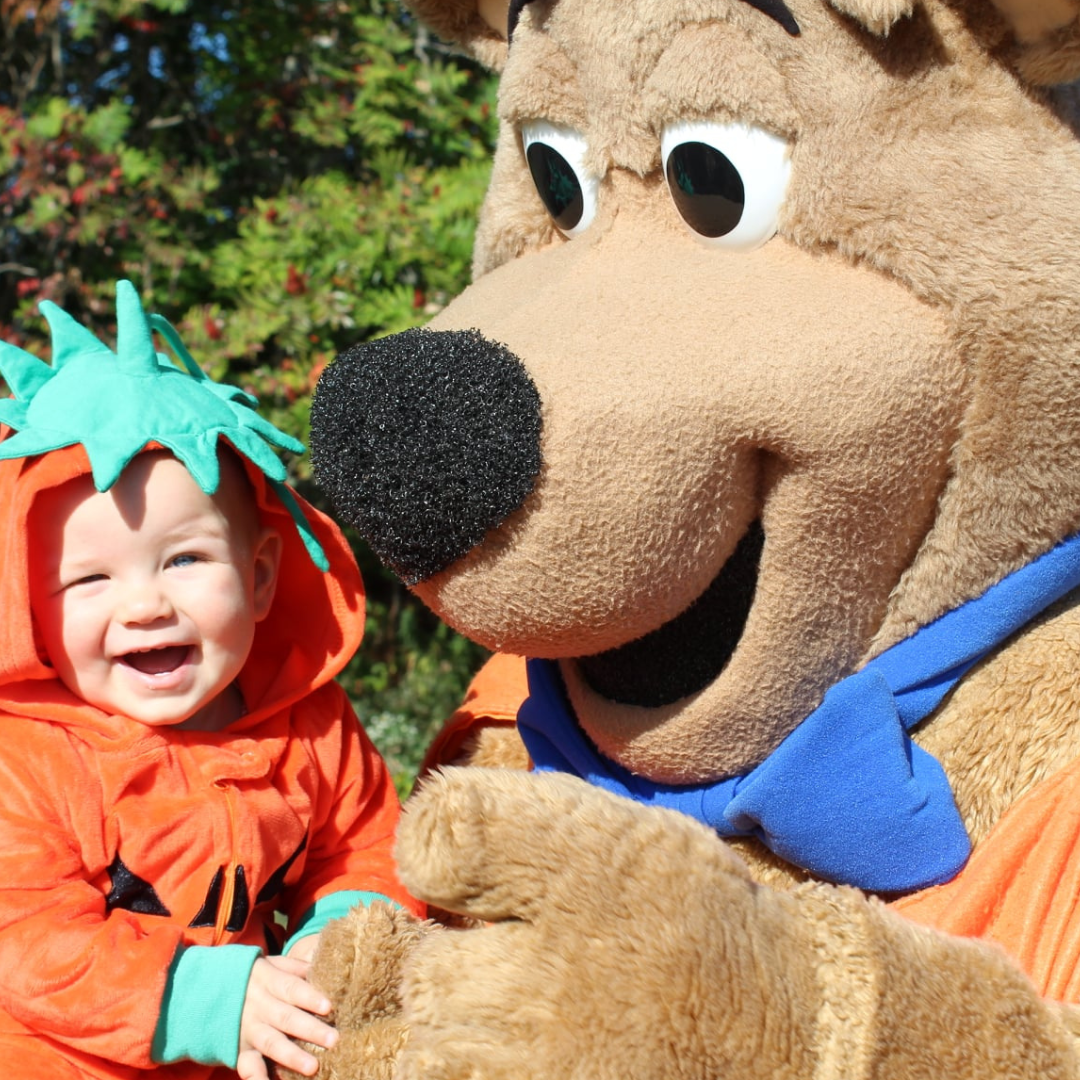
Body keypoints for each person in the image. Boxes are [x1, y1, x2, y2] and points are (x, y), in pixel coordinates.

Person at [0, 281, 423, 1080]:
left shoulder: (311, 724)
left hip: (260, 1045)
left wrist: (341, 935)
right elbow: (26, 941)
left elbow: (365, 845)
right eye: (89, 580)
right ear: (29, 608)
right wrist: (208, 999)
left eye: (185, 559)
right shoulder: (26, 761)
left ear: (260, 577)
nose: (145, 605)